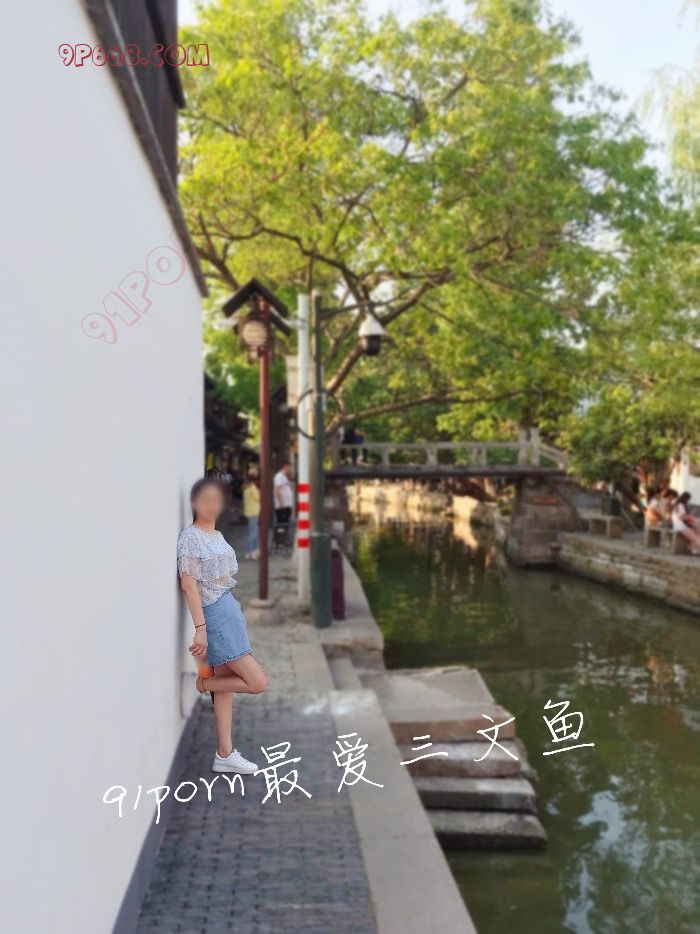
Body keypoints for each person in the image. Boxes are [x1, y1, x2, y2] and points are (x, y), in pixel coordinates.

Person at [177, 478, 268, 774]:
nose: (212, 505)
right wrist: (200, 628)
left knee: (227, 684)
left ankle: (224, 754)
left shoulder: (216, 534)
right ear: (194, 503)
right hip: (214, 616)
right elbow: (189, 585)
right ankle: (201, 684)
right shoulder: (191, 537)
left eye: (216, 500)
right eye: (205, 500)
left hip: (228, 611)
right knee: (257, 682)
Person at [242, 468, 260, 560]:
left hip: (249, 511)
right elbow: (258, 498)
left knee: (253, 532)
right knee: (253, 533)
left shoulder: (246, 488)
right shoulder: (252, 488)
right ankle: (250, 551)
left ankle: (254, 550)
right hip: (254, 512)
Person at [273, 461, 294, 527]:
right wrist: (281, 503)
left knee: (286, 523)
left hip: (286, 505)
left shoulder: (285, 477)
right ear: (285, 467)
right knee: (282, 524)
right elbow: (278, 489)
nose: (290, 469)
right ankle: (280, 534)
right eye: (290, 467)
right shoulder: (279, 476)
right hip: (282, 506)